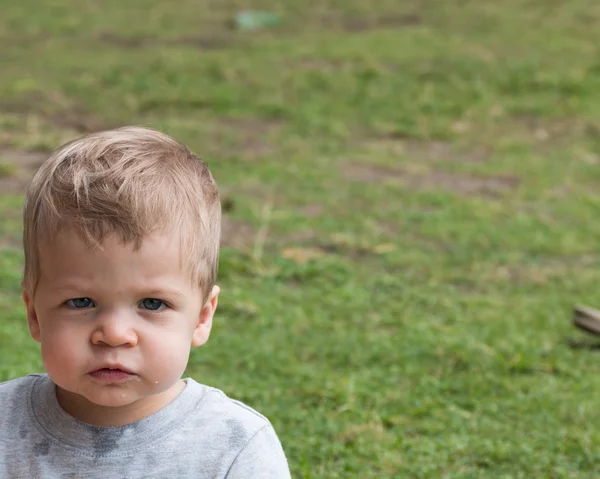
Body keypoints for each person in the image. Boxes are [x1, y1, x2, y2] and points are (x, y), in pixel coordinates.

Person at [0, 126, 291, 478]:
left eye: (151, 304)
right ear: (34, 313)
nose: (114, 334)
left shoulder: (233, 447)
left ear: (201, 317)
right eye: (81, 302)